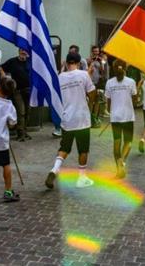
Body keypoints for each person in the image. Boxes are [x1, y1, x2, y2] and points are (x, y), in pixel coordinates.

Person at [45, 52, 95, 189]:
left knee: (65, 147)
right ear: (78, 63)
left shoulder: (60, 77)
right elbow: (92, 93)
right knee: (83, 149)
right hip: (82, 118)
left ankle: (54, 170)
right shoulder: (84, 75)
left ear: (66, 63)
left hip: (67, 117)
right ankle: (82, 177)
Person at [105, 60, 136, 178]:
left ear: (113, 69)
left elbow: (108, 101)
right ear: (125, 68)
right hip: (128, 116)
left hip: (115, 117)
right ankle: (122, 162)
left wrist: (112, 111)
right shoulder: (131, 82)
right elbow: (134, 99)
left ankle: (118, 168)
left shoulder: (109, 83)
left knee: (116, 142)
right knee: (128, 142)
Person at [0, 49, 31, 141]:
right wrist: (4, 77)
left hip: (29, 91)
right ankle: (20, 134)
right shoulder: (12, 61)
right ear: (18, 51)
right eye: (21, 50)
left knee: (28, 112)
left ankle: (25, 132)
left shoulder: (31, 62)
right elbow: (0, 68)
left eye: (25, 50)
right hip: (17, 91)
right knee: (21, 112)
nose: (23, 52)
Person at [87, 46, 106, 127]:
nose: (96, 53)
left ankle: (95, 117)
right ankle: (89, 117)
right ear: (92, 52)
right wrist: (91, 61)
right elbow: (86, 70)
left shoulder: (101, 60)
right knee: (91, 101)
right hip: (90, 82)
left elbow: (103, 71)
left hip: (98, 82)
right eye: (94, 51)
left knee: (97, 100)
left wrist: (101, 62)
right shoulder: (88, 59)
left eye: (97, 51)